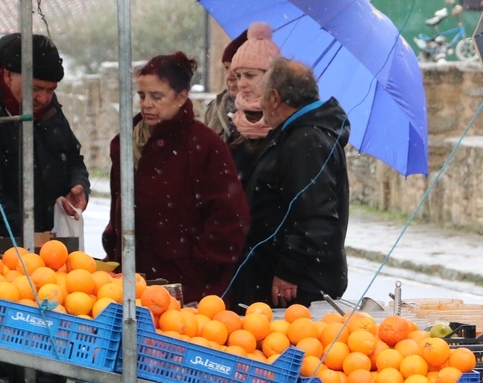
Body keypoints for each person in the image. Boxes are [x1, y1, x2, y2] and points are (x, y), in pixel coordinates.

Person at [102, 52, 250, 304]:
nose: (147, 104)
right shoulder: (126, 143)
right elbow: (119, 205)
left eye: (157, 97)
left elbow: (231, 218)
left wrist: (196, 267)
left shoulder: (205, 145)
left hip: (187, 291)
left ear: (181, 97)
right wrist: (113, 248)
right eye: (142, 96)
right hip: (131, 283)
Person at [0, 33, 89, 239]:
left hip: (46, 243)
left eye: (51, 90)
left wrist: (78, 185)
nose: (44, 98)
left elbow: (72, 156)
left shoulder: (47, 106)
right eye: (35, 88)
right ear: (7, 75)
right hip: (0, 246)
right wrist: (32, 236)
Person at [232, 58, 350, 308]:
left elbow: (316, 217)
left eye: (262, 95)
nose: (260, 102)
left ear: (275, 98)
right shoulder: (294, 133)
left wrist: (290, 271)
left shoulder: (306, 140)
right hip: (274, 273)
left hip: (298, 288)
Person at [225, 23, 282, 182]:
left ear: (271, 76)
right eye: (238, 76)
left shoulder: (285, 123)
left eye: (249, 75)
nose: (241, 83)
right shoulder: (235, 122)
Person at [200, 29, 247, 143]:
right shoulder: (214, 108)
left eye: (237, 69)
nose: (229, 76)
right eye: (226, 68)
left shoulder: (269, 115)